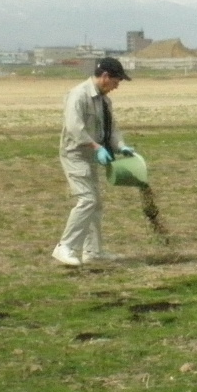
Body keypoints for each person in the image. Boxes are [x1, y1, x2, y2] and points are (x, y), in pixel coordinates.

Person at [52, 56, 135, 267]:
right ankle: (65, 247)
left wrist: (121, 146)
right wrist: (96, 147)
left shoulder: (105, 101)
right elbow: (74, 128)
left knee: (95, 203)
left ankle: (93, 251)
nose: (117, 86)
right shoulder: (78, 95)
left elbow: (111, 129)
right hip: (75, 155)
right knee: (87, 200)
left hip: (91, 156)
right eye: (116, 81)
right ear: (105, 76)